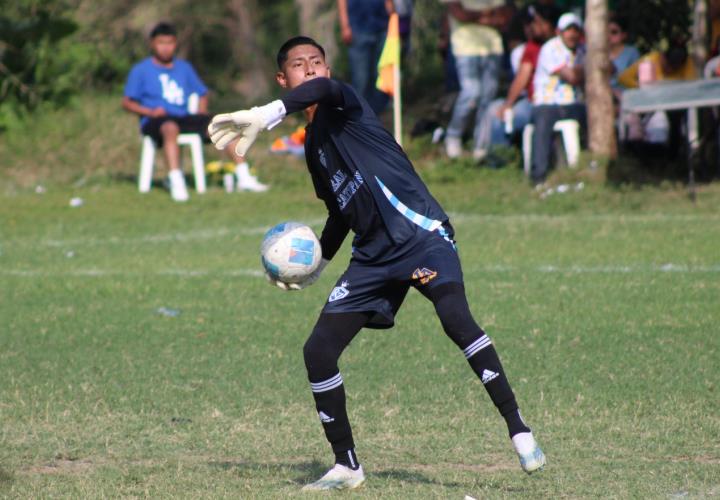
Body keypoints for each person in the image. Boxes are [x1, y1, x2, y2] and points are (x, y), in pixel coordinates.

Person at [207, 36, 545, 491]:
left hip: (422, 235)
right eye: (298, 66)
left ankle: (518, 428)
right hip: (373, 258)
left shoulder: (344, 102)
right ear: (282, 78)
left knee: (455, 319)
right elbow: (338, 213)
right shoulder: (314, 149)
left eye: (317, 62)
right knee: (318, 352)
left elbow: (323, 93)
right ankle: (346, 465)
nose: (310, 70)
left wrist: (267, 113)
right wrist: (318, 264)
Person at [122, 22, 268, 201]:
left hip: (183, 117)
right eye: (161, 43)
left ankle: (244, 175)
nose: (166, 48)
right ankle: (176, 180)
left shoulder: (184, 67)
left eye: (170, 43)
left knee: (224, 124)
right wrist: (149, 111)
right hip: (156, 120)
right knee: (169, 127)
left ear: (175, 44)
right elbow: (127, 102)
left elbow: (202, 93)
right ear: (152, 44)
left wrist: (201, 112)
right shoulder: (141, 70)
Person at [476, 4, 560, 160]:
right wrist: (507, 104)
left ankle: (499, 160)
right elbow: (521, 78)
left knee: (505, 115)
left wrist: (508, 105)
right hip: (533, 101)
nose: (532, 27)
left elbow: (522, 78)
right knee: (498, 114)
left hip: (549, 103)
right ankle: (498, 160)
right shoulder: (532, 47)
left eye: (537, 22)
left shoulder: (562, 46)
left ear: (550, 24)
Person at [442, 0, 512, 161]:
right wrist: (487, 15)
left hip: (492, 48)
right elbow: (459, 14)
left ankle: (481, 147)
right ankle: (453, 135)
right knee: (472, 93)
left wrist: (475, 16)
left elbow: (505, 17)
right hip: (465, 49)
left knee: (487, 98)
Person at [529, 12, 586, 185]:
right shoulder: (550, 49)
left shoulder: (584, 49)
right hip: (548, 103)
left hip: (573, 104)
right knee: (543, 123)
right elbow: (572, 77)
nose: (573, 34)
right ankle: (539, 177)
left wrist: (580, 70)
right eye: (568, 30)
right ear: (558, 32)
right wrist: (584, 69)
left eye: (576, 30)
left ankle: (587, 168)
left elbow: (608, 68)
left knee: (593, 117)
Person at [337, 0, 395, 115]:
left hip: (382, 27)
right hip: (358, 29)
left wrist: (392, 14)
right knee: (361, 79)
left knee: (380, 77)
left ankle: (377, 118)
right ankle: (359, 118)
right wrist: (345, 25)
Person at [607, 15, 640, 94]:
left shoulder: (632, 53)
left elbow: (636, 80)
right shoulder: (599, 54)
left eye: (614, 32)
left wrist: (615, 73)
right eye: (606, 32)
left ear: (623, 35)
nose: (609, 36)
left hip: (626, 97)